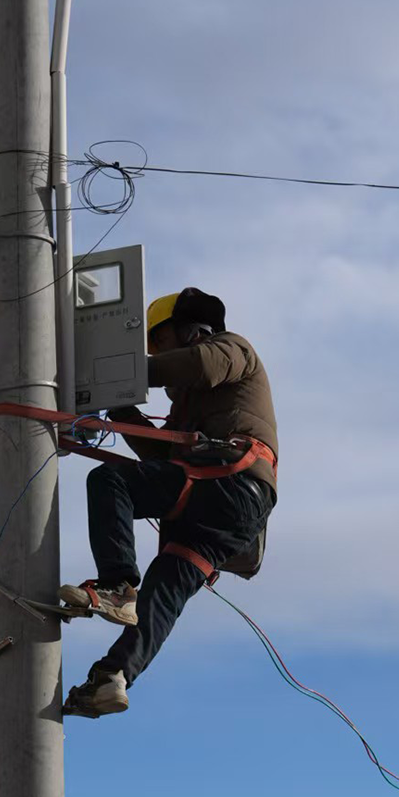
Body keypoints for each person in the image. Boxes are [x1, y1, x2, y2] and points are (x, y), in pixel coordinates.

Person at [60, 287, 278, 717]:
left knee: (110, 481)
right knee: (161, 597)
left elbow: (199, 364)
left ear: (193, 332)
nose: (158, 357)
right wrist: (121, 408)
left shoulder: (232, 350)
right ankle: (112, 678)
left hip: (228, 483)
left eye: (160, 344)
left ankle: (117, 584)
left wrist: (117, 372)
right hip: (221, 512)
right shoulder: (192, 408)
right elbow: (162, 462)